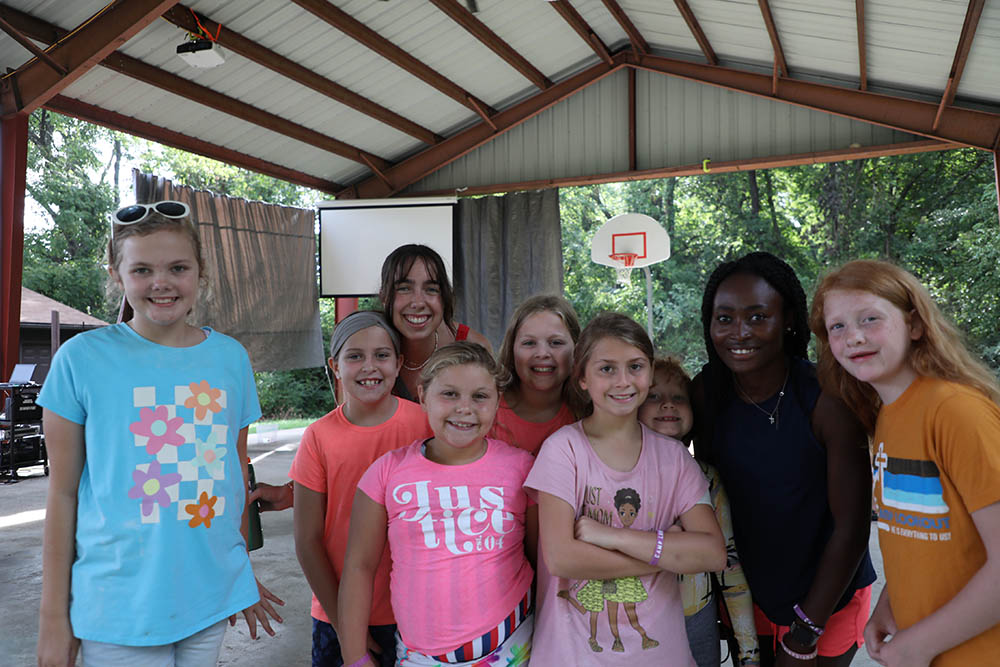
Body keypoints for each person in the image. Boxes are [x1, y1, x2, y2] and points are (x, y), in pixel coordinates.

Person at [36, 201, 282, 667]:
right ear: (117, 275)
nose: (161, 282)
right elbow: (63, 494)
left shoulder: (230, 358)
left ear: (200, 272)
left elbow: (231, 478)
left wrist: (238, 573)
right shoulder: (81, 359)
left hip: (208, 597)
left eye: (177, 268)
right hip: (118, 604)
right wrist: (54, 618)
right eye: (142, 269)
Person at [811, 259, 1000, 667]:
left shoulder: (955, 411)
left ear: (914, 324)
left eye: (870, 318)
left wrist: (920, 644)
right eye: (837, 327)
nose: (853, 336)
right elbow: (918, 534)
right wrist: (890, 603)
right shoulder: (888, 415)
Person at [693, 251, 875, 667]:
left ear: (788, 319)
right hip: (750, 595)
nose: (740, 332)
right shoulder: (706, 393)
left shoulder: (827, 399)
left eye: (758, 316)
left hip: (828, 596)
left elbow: (851, 528)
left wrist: (805, 632)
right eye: (725, 318)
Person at [525, 312, 726, 666]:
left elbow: (712, 553)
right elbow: (562, 558)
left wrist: (611, 536)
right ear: (582, 378)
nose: (623, 381)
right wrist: (663, 555)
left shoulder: (674, 458)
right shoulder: (562, 450)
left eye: (635, 366)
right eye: (607, 368)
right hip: (572, 657)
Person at [338, 342, 536, 667]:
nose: (464, 408)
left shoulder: (522, 468)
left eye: (480, 396)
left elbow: (541, 558)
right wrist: (354, 657)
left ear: (497, 401)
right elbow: (359, 567)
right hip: (419, 658)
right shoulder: (387, 472)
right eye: (449, 394)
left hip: (514, 649)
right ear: (422, 396)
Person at [289, 311, 431, 667]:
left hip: (415, 612)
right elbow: (307, 540)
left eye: (381, 355)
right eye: (355, 356)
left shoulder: (426, 424)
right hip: (337, 611)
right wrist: (344, 625)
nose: (370, 366)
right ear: (335, 366)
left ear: (398, 364)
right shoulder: (318, 437)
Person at [638, 357, 760, 667]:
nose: (668, 404)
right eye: (654, 396)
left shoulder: (707, 479)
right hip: (633, 621)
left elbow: (729, 567)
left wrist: (748, 652)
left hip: (697, 622)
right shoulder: (612, 474)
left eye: (679, 397)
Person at [378, 244, 491, 401]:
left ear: (444, 298)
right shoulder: (370, 348)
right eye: (404, 288)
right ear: (384, 297)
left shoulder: (474, 347)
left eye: (431, 289)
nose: (418, 303)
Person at [491, 294, 582, 455]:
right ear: (512, 349)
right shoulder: (486, 407)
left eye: (556, 342)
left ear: (577, 349)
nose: (542, 353)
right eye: (529, 343)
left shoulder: (590, 413)